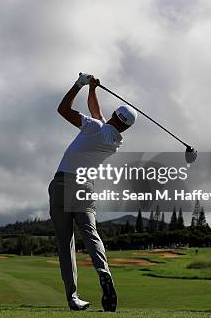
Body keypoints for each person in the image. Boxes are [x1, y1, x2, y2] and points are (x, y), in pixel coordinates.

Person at [50, 73, 137, 311]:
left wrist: (79, 84)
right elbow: (97, 115)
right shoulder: (114, 140)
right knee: (91, 234)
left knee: (66, 242)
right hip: (85, 188)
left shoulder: (95, 127)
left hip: (63, 183)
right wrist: (92, 90)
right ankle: (104, 273)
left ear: (113, 115)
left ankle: (73, 297)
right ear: (126, 127)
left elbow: (63, 109)